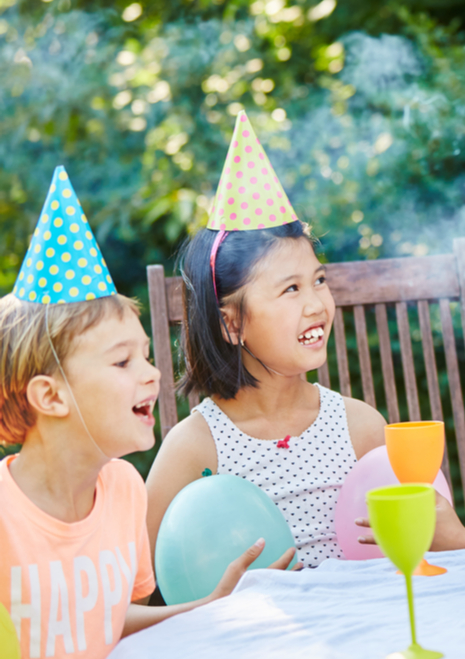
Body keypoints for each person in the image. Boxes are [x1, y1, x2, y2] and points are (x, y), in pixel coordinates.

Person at [145, 114, 465, 569]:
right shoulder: (194, 449)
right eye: (290, 289)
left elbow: (446, 564)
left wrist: (451, 535)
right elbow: (152, 585)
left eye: (319, 280)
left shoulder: (360, 429)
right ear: (232, 324)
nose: (317, 303)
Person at [0, 168, 284, 659]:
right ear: (50, 397)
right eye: (122, 361)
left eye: (147, 356)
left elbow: (106, 620)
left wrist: (210, 606)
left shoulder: (125, 490)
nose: (153, 375)